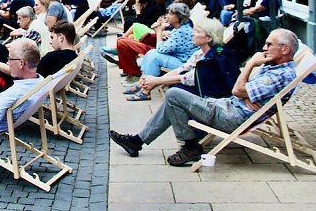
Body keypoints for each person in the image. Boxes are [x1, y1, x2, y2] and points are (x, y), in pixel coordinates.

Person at [110, 28, 301, 166]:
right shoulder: (274, 67)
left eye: (269, 44)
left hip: (232, 117)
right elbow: (242, 91)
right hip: (229, 106)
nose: (264, 48)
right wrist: (245, 94)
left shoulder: (280, 75)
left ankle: (190, 146)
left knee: (174, 94)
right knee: (175, 98)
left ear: (285, 49)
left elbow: (237, 90)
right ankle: (137, 141)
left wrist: (251, 65)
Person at [108, 2, 194, 87]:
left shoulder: (181, 31)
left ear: (179, 17)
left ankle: (144, 84)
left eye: (170, 14)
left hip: (182, 63)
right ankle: (142, 82)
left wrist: (159, 31)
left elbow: (160, 49)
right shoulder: (179, 28)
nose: (167, 16)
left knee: (150, 53)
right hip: (173, 54)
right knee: (127, 39)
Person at [0, 20, 77, 78]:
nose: (50, 42)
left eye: (52, 37)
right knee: (1, 50)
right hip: (32, 81)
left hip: (20, 82)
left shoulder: (54, 57)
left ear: (61, 38)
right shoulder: (73, 56)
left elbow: (24, 74)